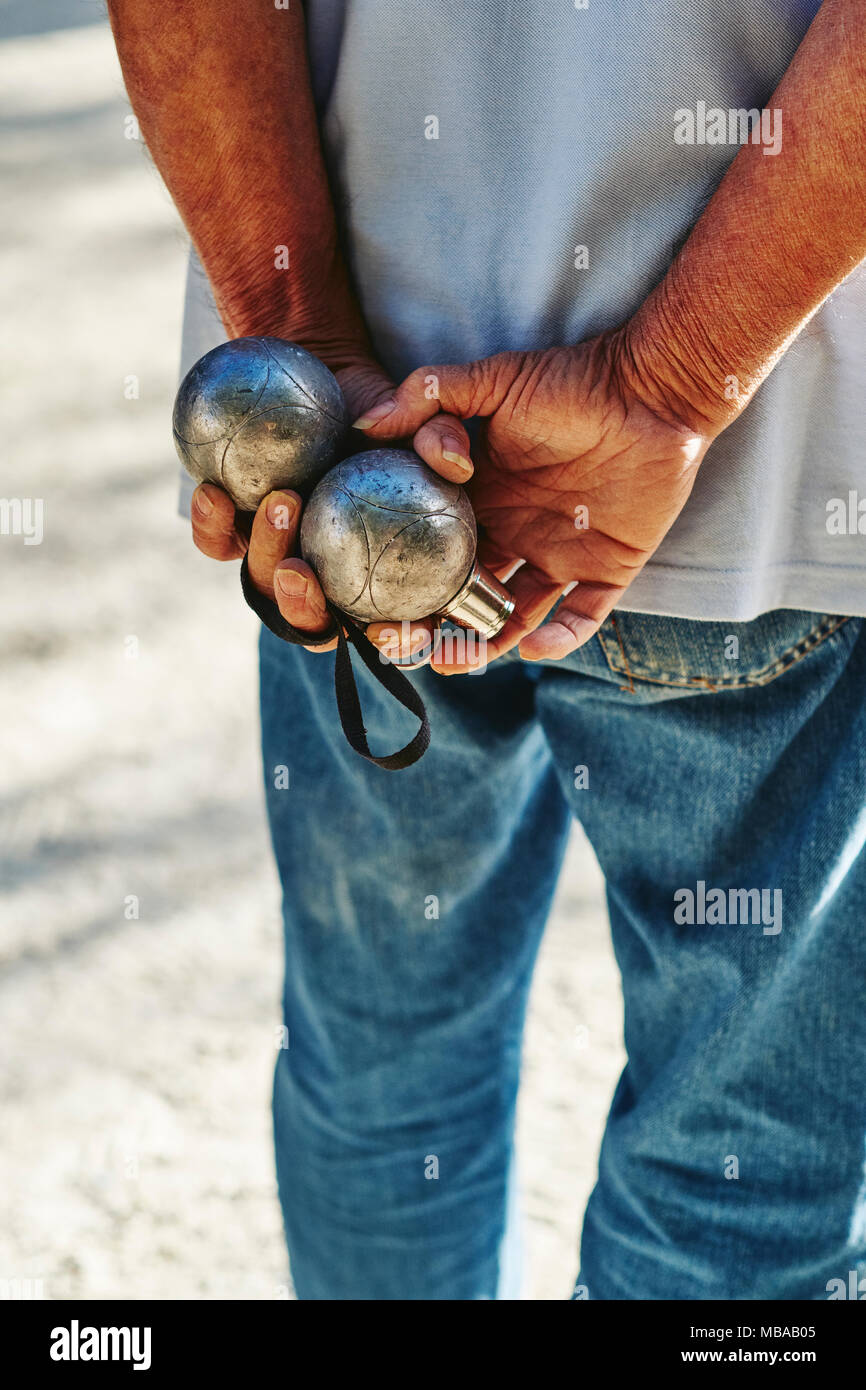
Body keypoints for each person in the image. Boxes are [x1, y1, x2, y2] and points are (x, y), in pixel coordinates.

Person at [107, 1, 866, 1299]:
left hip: (351, 443)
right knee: (737, 1171)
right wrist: (668, 384)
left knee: (386, 1066)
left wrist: (293, 328)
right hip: (755, 458)